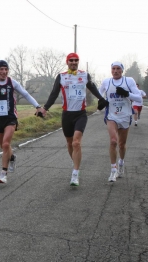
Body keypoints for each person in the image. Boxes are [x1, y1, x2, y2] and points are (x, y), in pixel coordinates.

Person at [40, 53, 109, 186]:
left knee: (76, 143)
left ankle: (75, 173)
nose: (74, 62)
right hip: (67, 114)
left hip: (80, 114)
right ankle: (75, 163)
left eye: (76, 60)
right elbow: (54, 93)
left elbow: (92, 87)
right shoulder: (61, 76)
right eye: (71, 60)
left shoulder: (84, 75)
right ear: (67, 62)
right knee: (70, 142)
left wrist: (101, 98)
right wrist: (45, 108)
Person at [98, 62, 143, 182]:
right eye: (113, 68)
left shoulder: (129, 81)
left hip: (125, 116)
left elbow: (139, 98)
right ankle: (113, 170)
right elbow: (98, 94)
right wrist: (101, 101)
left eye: (118, 69)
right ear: (111, 70)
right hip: (111, 116)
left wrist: (127, 94)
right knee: (113, 142)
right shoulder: (106, 82)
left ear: (122, 70)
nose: (116, 71)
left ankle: (121, 162)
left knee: (122, 145)